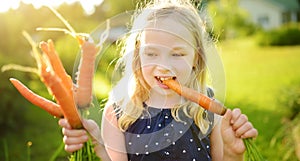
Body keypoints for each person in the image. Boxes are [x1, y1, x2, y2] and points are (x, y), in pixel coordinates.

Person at [59, 0, 258, 161]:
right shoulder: (118, 111)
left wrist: (233, 153)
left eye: (177, 54)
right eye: (152, 54)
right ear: (138, 56)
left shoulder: (208, 107)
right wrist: (98, 149)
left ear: (196, 58)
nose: (163, 66)